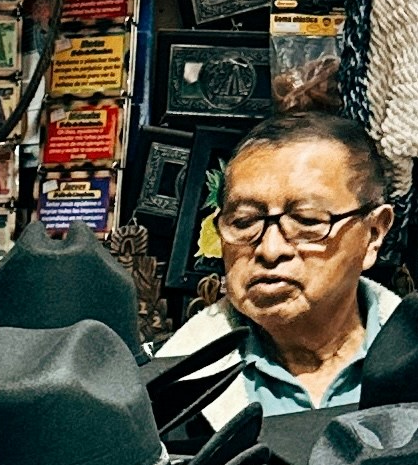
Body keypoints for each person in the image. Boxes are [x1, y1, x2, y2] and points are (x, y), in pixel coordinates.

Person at [156, 108, 400, 420]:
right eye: (244, 222)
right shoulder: (170, 392)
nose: (270, 250)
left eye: (307, 220)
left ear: (373, 234)